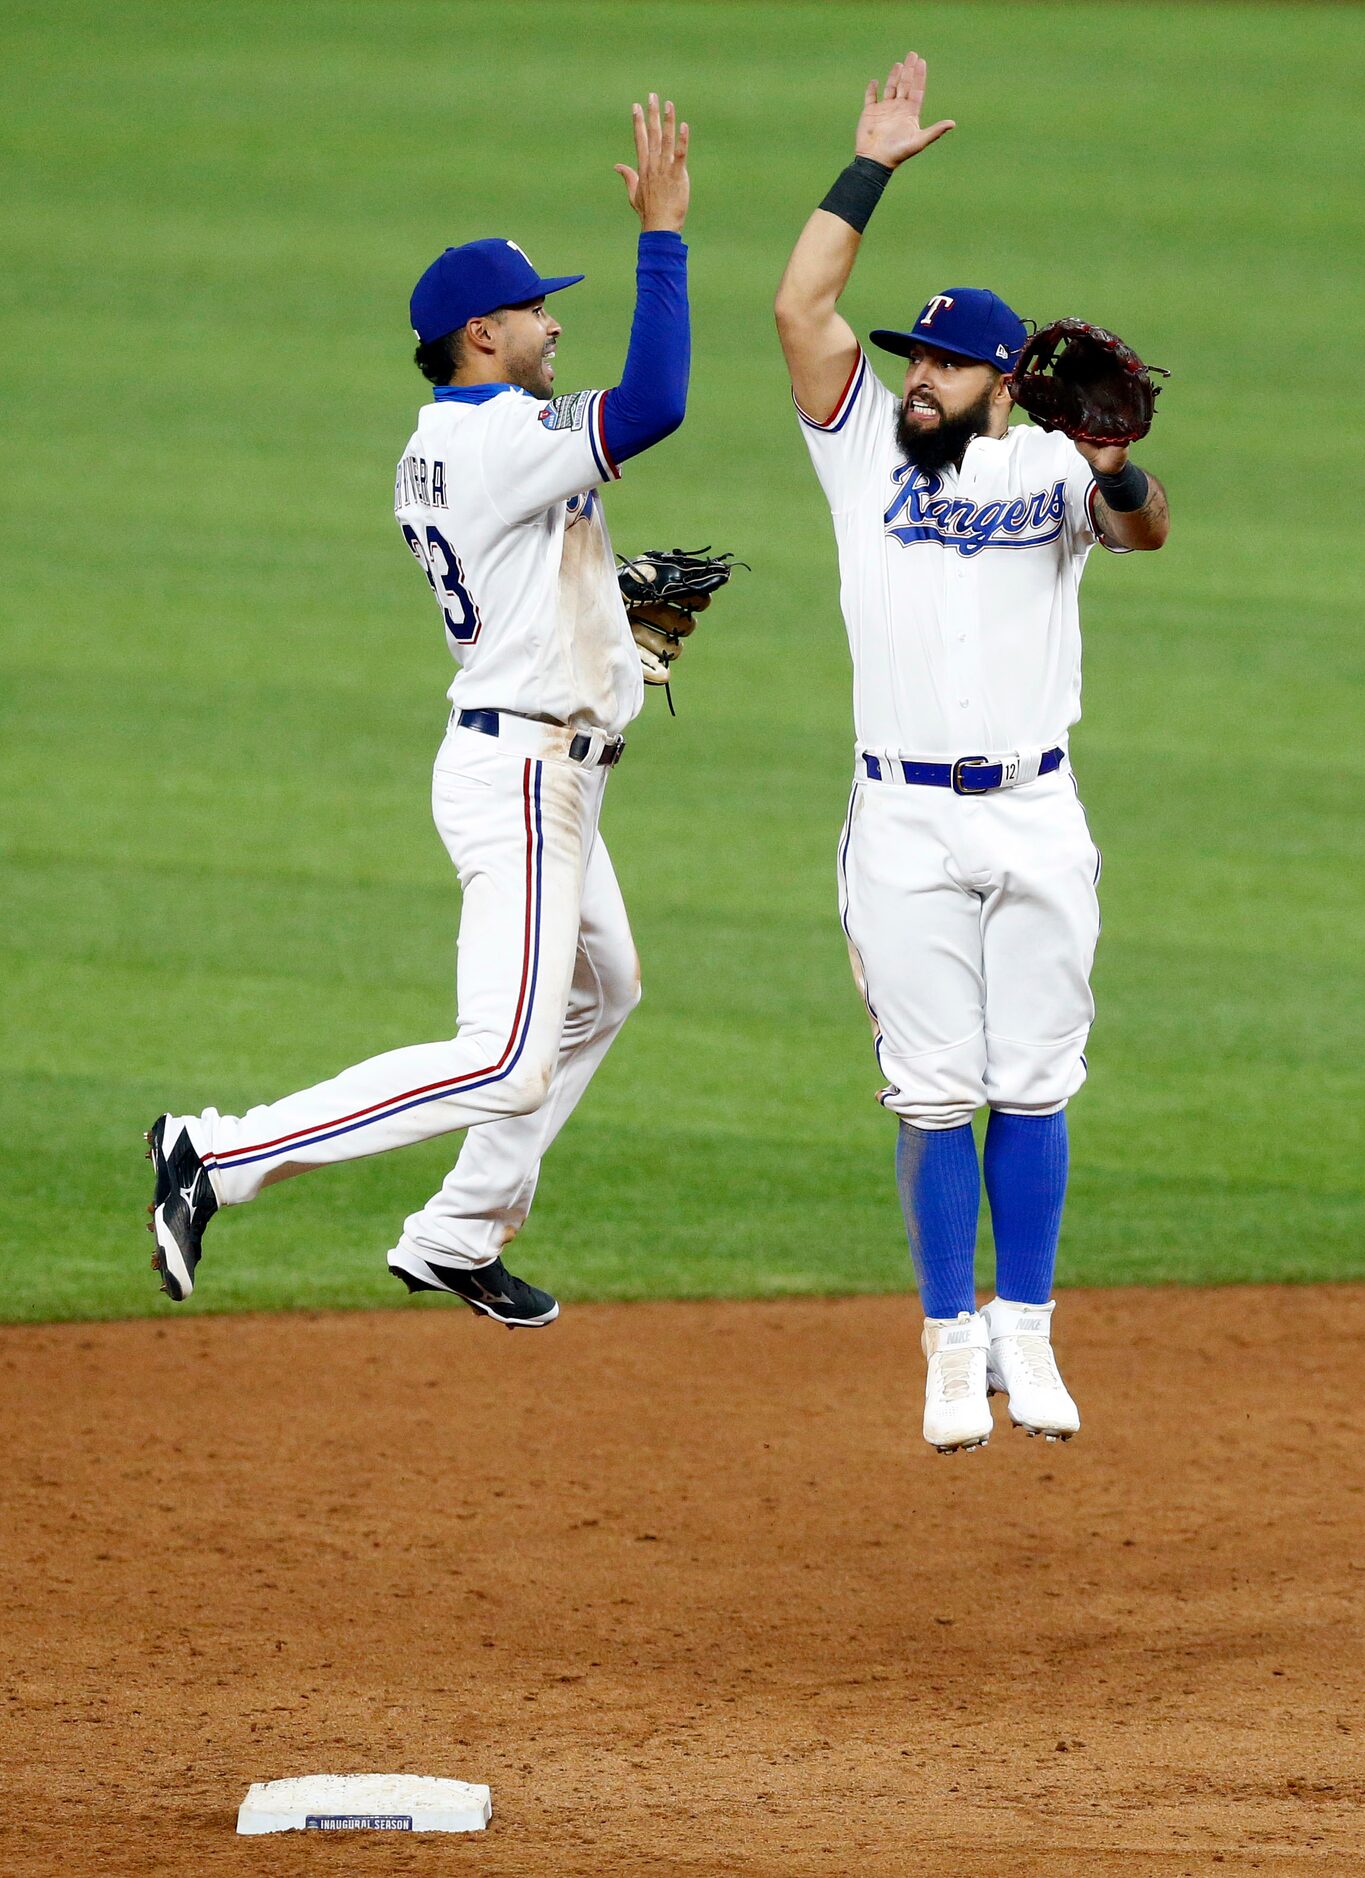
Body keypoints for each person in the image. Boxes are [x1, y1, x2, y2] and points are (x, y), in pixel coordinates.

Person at [145, 95, 693, 1326]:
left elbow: (530, 568)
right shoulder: (502, 437)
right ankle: (217, 1154)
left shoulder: (444, 439)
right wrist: (665, 235)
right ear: (482, 333)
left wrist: (611, 619)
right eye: (540, 311)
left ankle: (456, 1233)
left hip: (532, 755)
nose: (557, 327)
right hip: (525, 781)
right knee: (502, 1055)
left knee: (605, 991)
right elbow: (654, 402)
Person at [774, 53, 1169, 1450]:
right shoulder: (861, 448)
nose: (917, 377)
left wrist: (1115, 464)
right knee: (937, 1087)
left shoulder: (1051, 468)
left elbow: (1145, 526)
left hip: (1037, 811)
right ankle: (950, 1347)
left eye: (943, 363)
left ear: (1004, 383)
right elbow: (796, 305)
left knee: (1037, 1079)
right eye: (913, 358)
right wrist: (869, 162)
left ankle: (1027, 1332)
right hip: (902, 826)